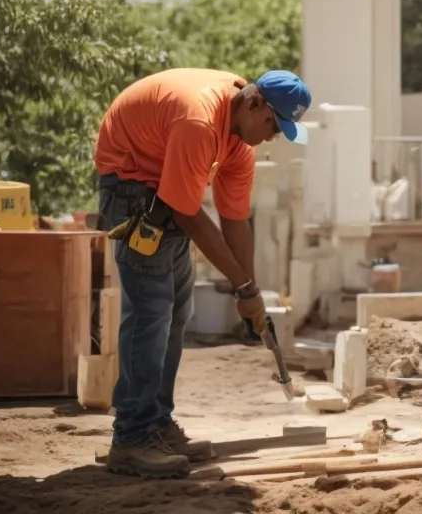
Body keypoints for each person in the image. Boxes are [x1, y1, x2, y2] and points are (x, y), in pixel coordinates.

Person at [93, 67, 312, 478]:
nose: (273, 136)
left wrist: (251, 292)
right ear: (253, 103)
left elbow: (234, 220)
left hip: (162, 180)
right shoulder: (199, 122)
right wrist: (242, 286)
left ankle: (156, 424)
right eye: (272, 124)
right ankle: (132, 438)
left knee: (176, 310)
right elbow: (189, 214)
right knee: (150, 311)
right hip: (130, 179)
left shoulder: (238, 145)